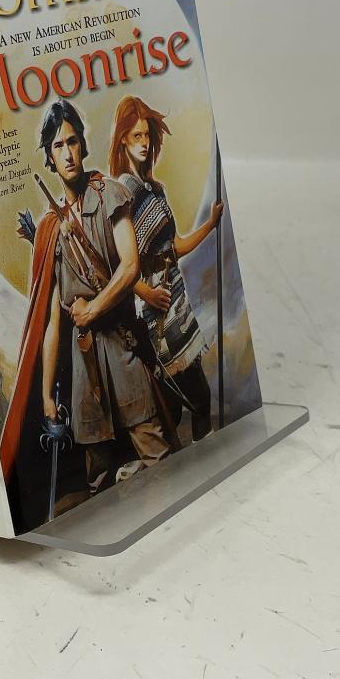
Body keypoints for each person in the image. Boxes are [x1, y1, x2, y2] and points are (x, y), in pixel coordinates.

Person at [0, 101, 175, 526]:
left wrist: (93, 308)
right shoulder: (50, 229)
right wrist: (46, 394)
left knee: (160, 460)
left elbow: (130, 266)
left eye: (73, 141)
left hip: (123, 353)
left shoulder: (109, 192)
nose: (68, 153)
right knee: (98, 483)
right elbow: (51, 322)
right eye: (58, 146)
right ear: (49, 156)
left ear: (83, 144)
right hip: (84, 370)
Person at [108, 95, 223, 444]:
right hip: (154, 309)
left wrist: (211, 224)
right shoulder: (121, 193)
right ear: (123, 139)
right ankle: (188, 463)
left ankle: (200, 460)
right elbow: (117, 262)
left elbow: (175, 248)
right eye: (136, 136)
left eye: (147, 135)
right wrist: (145, 293)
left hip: (177, 300)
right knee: (185, 400)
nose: (144, 143)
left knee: (186, 401)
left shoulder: (155, 190)